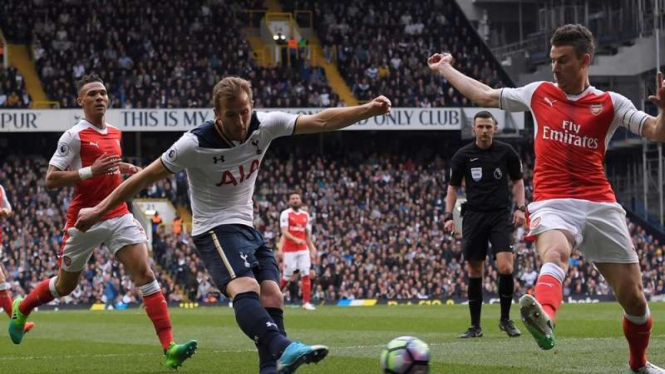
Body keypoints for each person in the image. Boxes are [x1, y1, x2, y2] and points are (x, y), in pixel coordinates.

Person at [75, 76, 391, 374]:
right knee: (247, 288)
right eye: (231, 115)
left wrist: (368, 110)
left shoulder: (265, 124)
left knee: (273, 296)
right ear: (216, 114)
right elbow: (143, 178)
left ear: (251, 105)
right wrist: (99, 209)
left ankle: (270, 368)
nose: (240, 122)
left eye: (244, 112)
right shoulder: (193, 143)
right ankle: (283, 347)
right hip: (213, 228)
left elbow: (322, 121)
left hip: (246, 226)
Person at [428, 24, 665, 373]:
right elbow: (483, 95)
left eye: (563, 61)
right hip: (553, 201)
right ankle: (545, 317)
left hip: (599, 203)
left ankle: (639, 363)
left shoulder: (611, 103)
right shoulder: (538, 93)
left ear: (586, 60)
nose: (554, 68)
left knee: (634, 299)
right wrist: (445, 67)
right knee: (556, 252)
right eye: (552, 60)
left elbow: (657, 132)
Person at [7, 74, 197, 369]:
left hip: (118, 213)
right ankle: (23, 307)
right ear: (80, 101)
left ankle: (169, 347)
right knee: (64, 286)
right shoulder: (73, 136)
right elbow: (51, 178)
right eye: (92, 94)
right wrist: (89, 173)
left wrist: (122, 167)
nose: (99, 97)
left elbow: (105, 166)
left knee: (145, 274)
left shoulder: (116, 133)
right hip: (84, 219)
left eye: (103, 93)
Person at [445, 111, 525, 339]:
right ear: (474, 129)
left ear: (495, 128)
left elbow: (518, 181)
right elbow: (452, 188)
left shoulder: (506, 152)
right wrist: (448, 216)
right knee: (475, 270)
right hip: (474, 217)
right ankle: (475, 326)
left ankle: (505, 320)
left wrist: (520, 208)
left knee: (506, 267)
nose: (484, 131)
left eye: (488, 127)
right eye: (480, 127)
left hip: (500, 215)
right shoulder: (463, 156)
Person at [0, 184, 35, 333]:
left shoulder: (0, 189)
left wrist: (5, 212)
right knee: (1, 283)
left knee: (1, 284)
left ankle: (17, 325)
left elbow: (8, 208)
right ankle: (17, 325)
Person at [278, 193, 318, 311]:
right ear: (289, 201)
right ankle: (270, 297)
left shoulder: (305, 215)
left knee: (306, 273)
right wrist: (296, 240)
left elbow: (307, 235)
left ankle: (306, 303)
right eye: (293, 198)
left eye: (297, 198)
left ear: (300, 200)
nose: (295, 200)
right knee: (287, 276)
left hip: (303, 250)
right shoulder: (285, 214)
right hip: (290, 250)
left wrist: (312, 248)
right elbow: (284, 232)